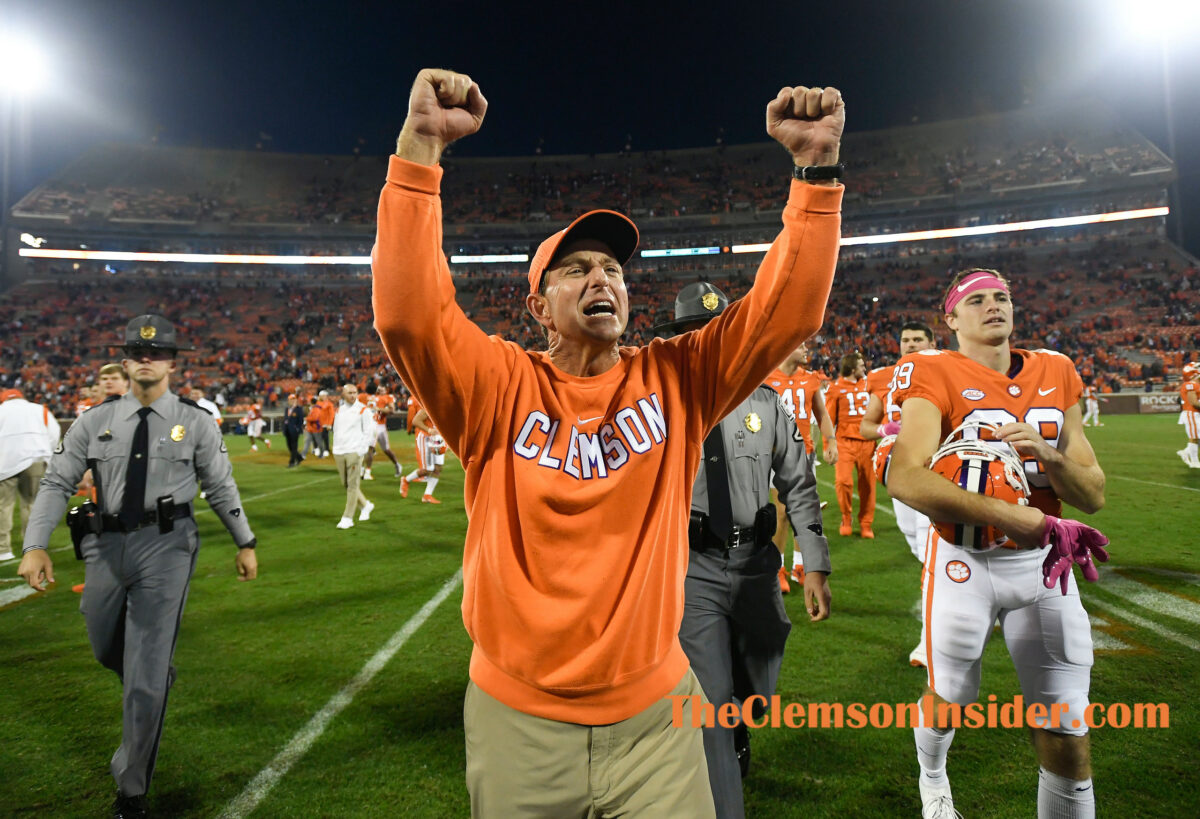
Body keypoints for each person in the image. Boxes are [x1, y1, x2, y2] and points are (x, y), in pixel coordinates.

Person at [372, 67, 843, 817]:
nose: (604, 278)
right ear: (540, 305)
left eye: (615, 269)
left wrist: (815, 174)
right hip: (520, 725)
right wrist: (421, 151)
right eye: (578, 269)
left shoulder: (678, 377)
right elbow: (408, 317)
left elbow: (786, 315)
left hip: (657, 716)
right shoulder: (496, 384)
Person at [885, 269, 1108, 819]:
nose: (993, 306)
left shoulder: (1056, 369)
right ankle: (933, 778)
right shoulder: (929, 368)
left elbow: (1094, 494)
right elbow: (904, 476)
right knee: (951, 698)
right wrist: (1014, 516)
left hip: (1044, 563)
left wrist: (1049, 456)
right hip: (964, 560)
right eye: (977, 300)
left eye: (1002, 297)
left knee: (1065, 723)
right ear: (951, 318)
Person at [17, 314, 258, 819]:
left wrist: (245, 540)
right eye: (137, 352)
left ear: (171, 361)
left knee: (145, 673)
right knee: (105, 645)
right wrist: (35, 544)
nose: (146, 359)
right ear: (125, 362)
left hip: (168, 546)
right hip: (104, 547)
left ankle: (132, 789)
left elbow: (220, 486)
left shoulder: (195, 421)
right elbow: (58, 482)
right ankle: (149, 678)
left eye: (157, 352)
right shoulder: (93, 420)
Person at [658, 283, 831, 819]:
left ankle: (738, 721)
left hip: (758, 565)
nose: (707, 343)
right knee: (708, 704)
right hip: (693, 569)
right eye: (696, 333)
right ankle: (723, 796)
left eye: (716, 333)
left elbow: (799, 484)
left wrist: (815, 563)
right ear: (682, 339)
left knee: (758, 673)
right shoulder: (656, 406)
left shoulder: (766, 402)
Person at [860, 321, 936, 666]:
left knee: (931, 551)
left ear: (932, 342)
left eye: (917, 339)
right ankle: (965, 601)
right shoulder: (881, 376)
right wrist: (886, 429)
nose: (910, 344)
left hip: (937, 469)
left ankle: (930, 638)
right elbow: (864, 427)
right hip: (897, 472)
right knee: (918, 547)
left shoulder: (949, 370)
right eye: (906, 340)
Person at [765, 342, 835, 590]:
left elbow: (822, 414)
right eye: (801, 345)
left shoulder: (811, 379)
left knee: (805, 513)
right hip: (776, 454)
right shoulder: (766, 376)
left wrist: (831, 442)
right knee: (782, 513)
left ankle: (799, 566)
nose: (806, 350)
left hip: (804, 453)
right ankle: (778, 569)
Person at [0, 389, 61, 561]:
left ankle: (3, 550)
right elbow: (54, 434)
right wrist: (45, 453)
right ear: (22, 397)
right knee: (31, 504)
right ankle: (32, 546)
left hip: (4, 462)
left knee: (4, 506)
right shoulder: (39, 409)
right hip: (35, 459)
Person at [826, 351, 876, 537]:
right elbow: (829, 418)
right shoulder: (835, 388)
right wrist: (827, 445)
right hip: (844, 441)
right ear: (852, 367)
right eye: (861, 365)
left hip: (867, 442)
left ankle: (866, 523)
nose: (864, 368)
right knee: (843, 481)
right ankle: (846, 517)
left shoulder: (870, 384)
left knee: (868, 486)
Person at [331, 382, 376, 529]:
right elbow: (336, 429)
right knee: (346, 484)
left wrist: (361, 450)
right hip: (339, 451)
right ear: (343, 394)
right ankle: (365, 505)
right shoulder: (339, 411)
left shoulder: (363, 410)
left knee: (352, 485)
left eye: (355, 392)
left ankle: (347, 518)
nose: (352, 395)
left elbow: (369, 431)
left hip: (354, 451)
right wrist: (334, 447)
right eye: (349, 393)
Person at [400, 407, 446, 504]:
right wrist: (429, 430)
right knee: (428, 470)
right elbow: (415, 421)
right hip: (426, 438)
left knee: (438, 468)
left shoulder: (447, 406)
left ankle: (427, 495)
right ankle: (406, 479)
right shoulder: (430, 405)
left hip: (438, 438)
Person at [362, 385, 402, 479]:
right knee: (369, 448)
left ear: (385, 390)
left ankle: (397, 464)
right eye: (378, 390)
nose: (380, 391)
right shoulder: (369, 397)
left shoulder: (388, 397)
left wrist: (379, 409)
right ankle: (366, 471)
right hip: (370, 425)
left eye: (382, 389)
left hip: (381, 426)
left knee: (386, 449)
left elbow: (392, 410)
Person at [1179, 363, 1200, 468]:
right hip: (1192, 413)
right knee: (1194, 437)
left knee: (1197, 438)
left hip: (1197, 414)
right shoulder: (1190, 384)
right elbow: (1194, 403)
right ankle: (1195, 462)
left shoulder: (1197, 384)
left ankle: (1185, 452)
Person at [283, 393, 306, 467]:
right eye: (290, 399)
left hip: (294, 431)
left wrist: (298, 428)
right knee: (289, 446)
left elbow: (300, 420)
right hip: (287, 430)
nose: (291, 401)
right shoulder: (287, 409)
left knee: (294, 446)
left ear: (296, 400)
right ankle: (299, 458)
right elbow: (285, 419)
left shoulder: (298, 409)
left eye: (293, 399)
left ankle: (291, 462)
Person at [303, 395, 324, 459]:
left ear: (311, 402)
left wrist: (307, 419)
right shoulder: (314, 408)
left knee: (319, 442)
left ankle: (322, 454)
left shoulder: (316, 409)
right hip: (311, 429)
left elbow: (314, 418)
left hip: (316, 429)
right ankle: (303, 454)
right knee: (307, 441)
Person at [317, 389, 336, 456]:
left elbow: (331, 414)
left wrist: (329, 424)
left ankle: (326, 449)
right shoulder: (317, 403)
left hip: (325, 424)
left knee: (325, 437)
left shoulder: (329, 404)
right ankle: (319, 448)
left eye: (323, 396)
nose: (322, 397)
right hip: (318, 424)